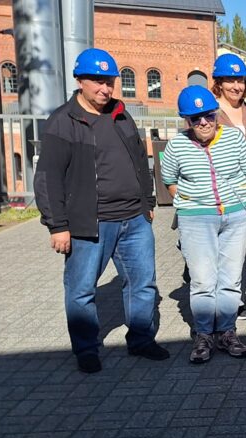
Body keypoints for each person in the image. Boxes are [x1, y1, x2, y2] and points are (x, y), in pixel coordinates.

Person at [34, 48, 169, 373]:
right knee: (81, 290)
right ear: (79, 81)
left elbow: (141, 160)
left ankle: (141, 339)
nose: (105, 88)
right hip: (89, 223)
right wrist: (57, 225)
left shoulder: (121, 114)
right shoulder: (63, 122)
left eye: (109, 81)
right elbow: (48, 178)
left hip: (134, 219)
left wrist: (147, 203)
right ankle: (86, 349)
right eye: (97, 81)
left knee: (143, 284)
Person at [161, 86, 246, 364]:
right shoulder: (177, 146)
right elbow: (169, 180)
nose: (204, 122)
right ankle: (204, 334)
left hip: (235, 217)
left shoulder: (234, 138)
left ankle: (227, 331)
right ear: (186, 121)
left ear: (216, 114)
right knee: (203, 280)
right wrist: (189, 201)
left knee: (230, 279)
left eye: (209, 116)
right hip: (196, 220)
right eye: (195, 118)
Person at [211, 53, 246, 321]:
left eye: (240, 80)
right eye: (230, 80)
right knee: (220, 251)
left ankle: (238, 297)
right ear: (219, 83)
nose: (236, 86)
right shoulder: (210, 112)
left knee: (243, 248)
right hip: (219, 192)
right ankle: (217, 301)